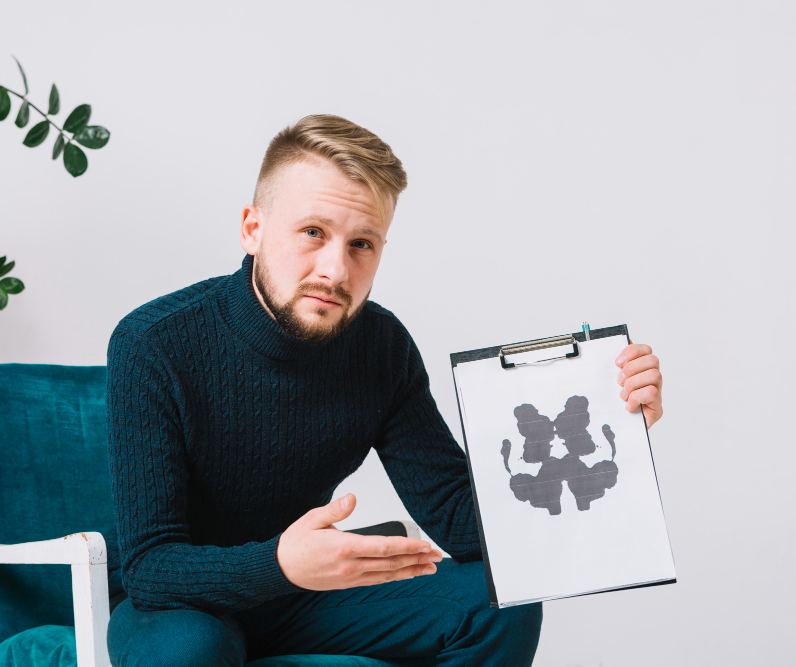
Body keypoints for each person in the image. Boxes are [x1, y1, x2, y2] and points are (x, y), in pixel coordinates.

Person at [105, 115, 665, 666]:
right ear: (253, 229)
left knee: (501, 604)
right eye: (313, 233)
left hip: (304, 597)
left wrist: (607, 422)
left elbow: (456, 516)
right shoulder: (153, 343)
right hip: (179, 605)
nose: (336, 269)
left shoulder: (381, 347)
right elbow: (150, 566)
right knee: (189, 650)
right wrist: (280, 564)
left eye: (362, 245)